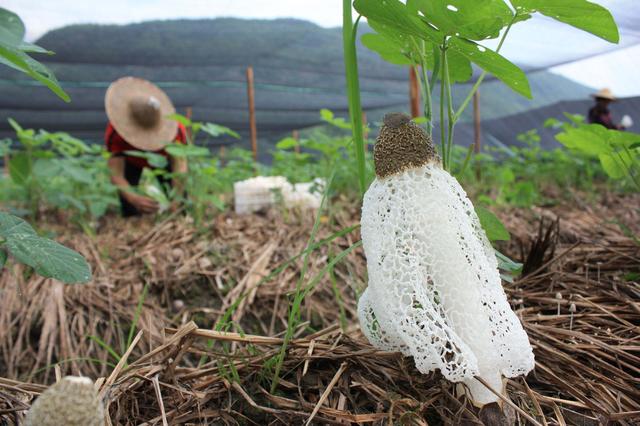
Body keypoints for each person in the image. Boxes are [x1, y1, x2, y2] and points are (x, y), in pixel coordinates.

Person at [104, 77, 188, 216]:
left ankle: (179, 216)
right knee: (129, 208)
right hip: (131, 162)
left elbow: (179, 168)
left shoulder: (175, 130)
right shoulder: (116, 132)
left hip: (164, 160)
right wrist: (133, 198)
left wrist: (175, 201)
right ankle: (132, 218)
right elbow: (116, 173)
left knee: (180, 206)